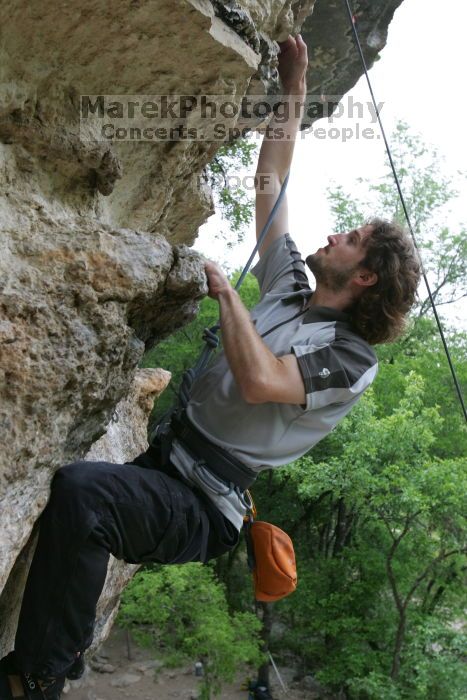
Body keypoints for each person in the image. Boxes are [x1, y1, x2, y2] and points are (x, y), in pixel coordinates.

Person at [0, 35, 420, 700]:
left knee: (84, 494)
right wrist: (295, 90)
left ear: (364, 276)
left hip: (203, 506)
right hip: (169, 465)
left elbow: (262, 383)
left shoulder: (349, 359)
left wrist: (227, 297)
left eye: (353, 240)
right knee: (63, 505)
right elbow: (270, 181)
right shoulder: (289, 287)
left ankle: (41, 678)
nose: (336, 233)